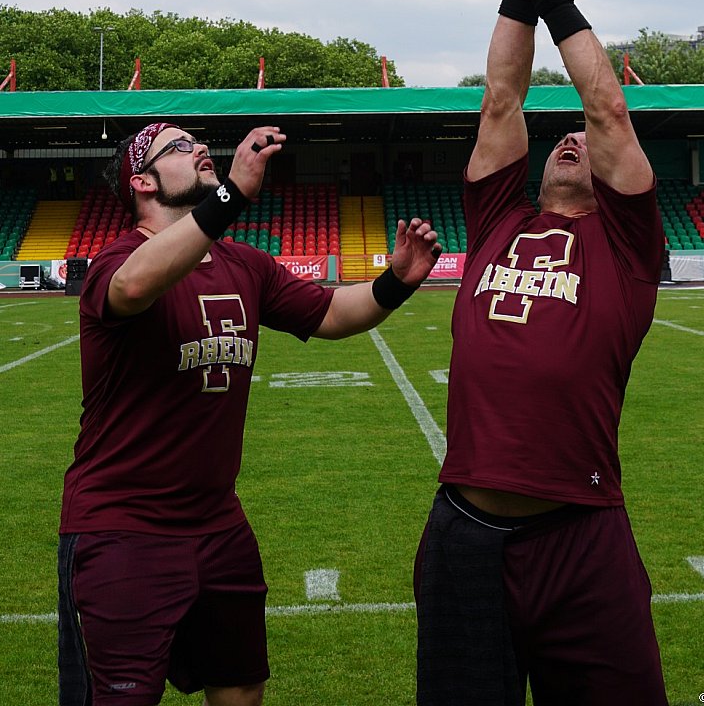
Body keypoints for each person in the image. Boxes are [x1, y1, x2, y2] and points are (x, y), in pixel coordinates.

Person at [58, 121, 439, 706]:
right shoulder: (118, 259)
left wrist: (395, 282)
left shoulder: (245, 264)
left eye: (198, 141)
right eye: (178, 147)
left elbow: (332, 314)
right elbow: (133, 288)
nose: (198, 148)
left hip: (218, 524)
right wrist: (231, 194)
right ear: (143, 181)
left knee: (240, 684)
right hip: (123, 527)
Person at [414, 0, 667, 705]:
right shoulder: (498, 218)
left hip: (579, 535)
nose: (571, 137)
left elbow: (608, 109)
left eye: (583, 140)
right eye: (562, 136)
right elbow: (501, 97)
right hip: (462, 534)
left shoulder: (625, 248)